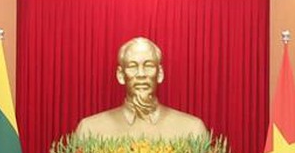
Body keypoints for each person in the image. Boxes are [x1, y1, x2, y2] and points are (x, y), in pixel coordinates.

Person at [75, 37, 208, 140]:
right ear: (120, 75)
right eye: (132, 66)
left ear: (160, 74)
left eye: (148, 65)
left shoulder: (192, 130)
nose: (141, 74)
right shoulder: (90, 130)